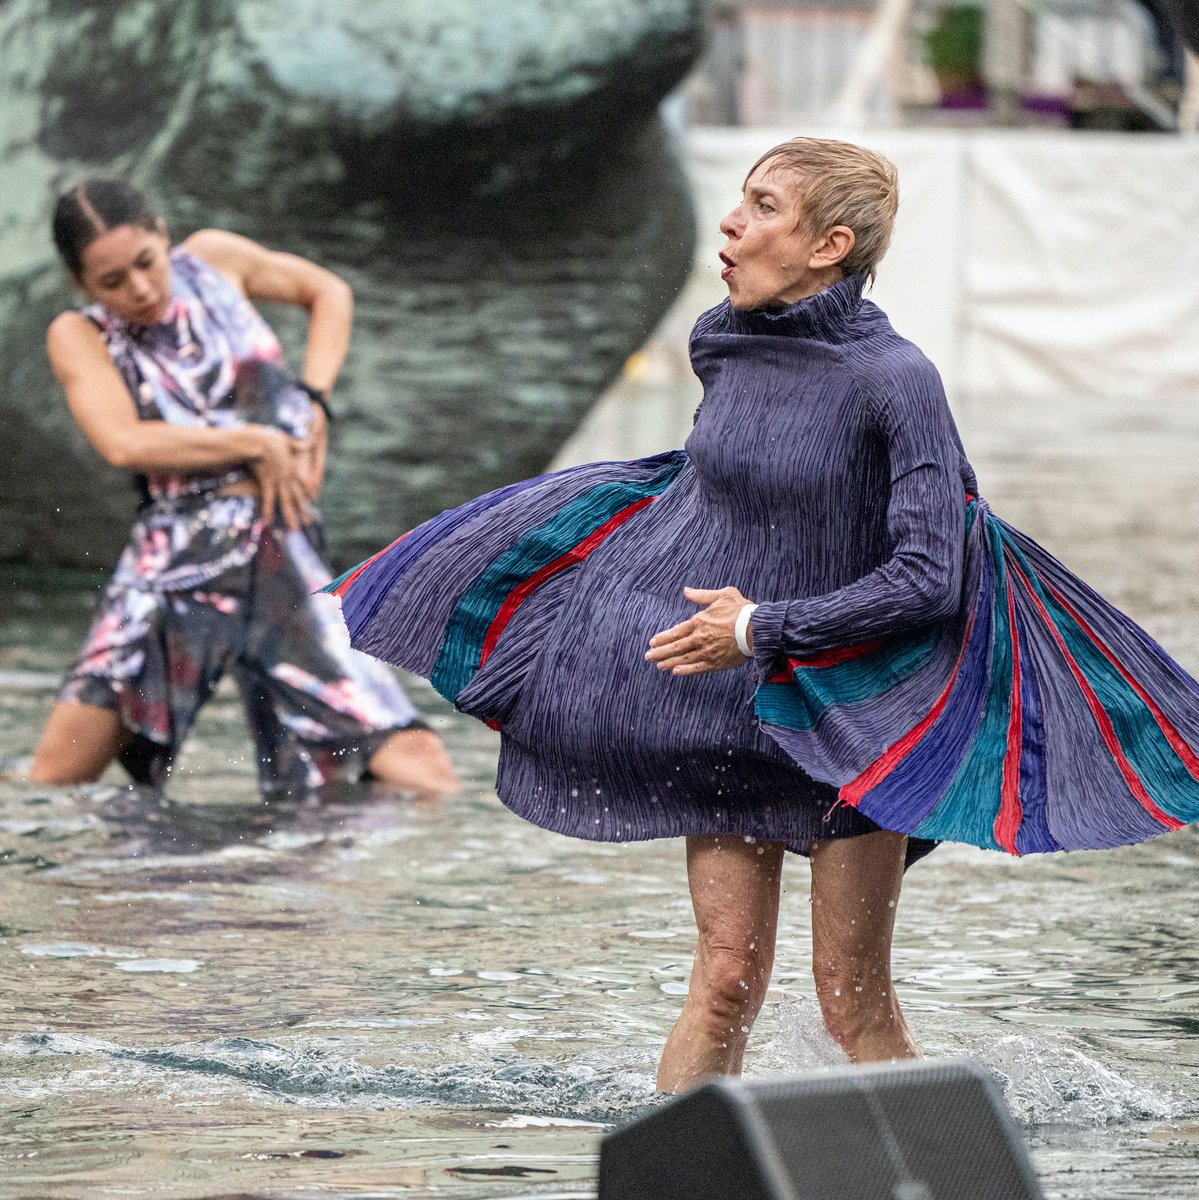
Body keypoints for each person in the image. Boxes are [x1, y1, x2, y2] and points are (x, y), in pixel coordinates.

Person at [325, 138, 1199, 1091]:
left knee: (848, 1001)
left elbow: (929, 578)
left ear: (828, 244)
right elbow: (716, 503)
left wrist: (759, 628)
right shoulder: (723, 342)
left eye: (763, 205)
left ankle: (937, 1178)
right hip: (729, 717)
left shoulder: (894, 379)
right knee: (726, 979)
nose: (732, 221)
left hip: (847, 719)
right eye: (741, 199)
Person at [30, 178, 458, 800]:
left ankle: (307, 889)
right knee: (54, 778)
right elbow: (125, 442)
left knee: (420, 766)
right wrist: (257, 442)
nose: (140, 290)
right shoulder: (80, 334)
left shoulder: (216, 259)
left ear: (163, 234)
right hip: (174, 570)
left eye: (145, 263)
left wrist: (314, 399)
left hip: (279, 555)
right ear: (81, 284)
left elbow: (328, 292)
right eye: (112, 282)